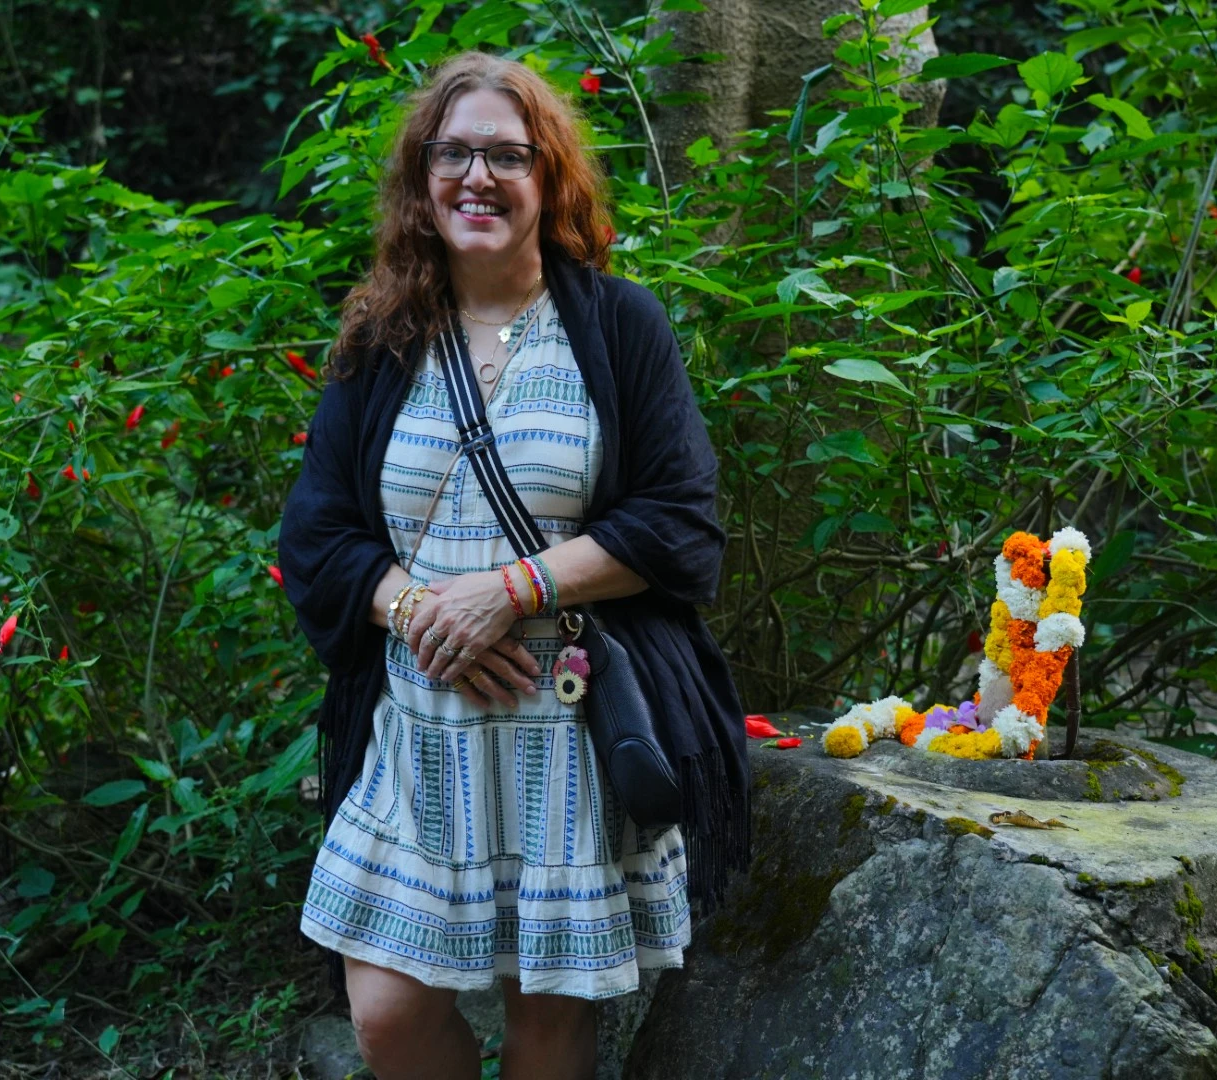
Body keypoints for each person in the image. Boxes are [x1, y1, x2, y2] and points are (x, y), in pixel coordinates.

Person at [276, 50, 749, 1080]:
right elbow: (315, 536)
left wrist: (508, 592)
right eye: (454, 153)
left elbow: (677, 524)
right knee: (387, 1013)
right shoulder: (383, 338)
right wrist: (416, 612)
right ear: (421, 177)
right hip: (420, 734)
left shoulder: (619, 328)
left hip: (562, 735)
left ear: (551, 178)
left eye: (506, 154)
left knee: (548, 1028)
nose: (477, 177)